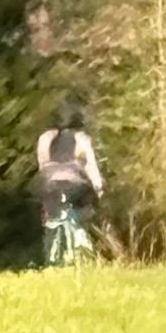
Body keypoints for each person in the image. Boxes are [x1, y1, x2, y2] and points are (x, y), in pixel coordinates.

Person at [36, 103, 105, 247]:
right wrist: (98, 186)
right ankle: (81, 233)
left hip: (50, 184)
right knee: (86, 207)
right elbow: (90, 165)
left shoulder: (45, 137)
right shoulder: (82, 138)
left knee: (49, 213)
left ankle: (50, 232)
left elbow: (42, 164)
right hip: (75, 183)